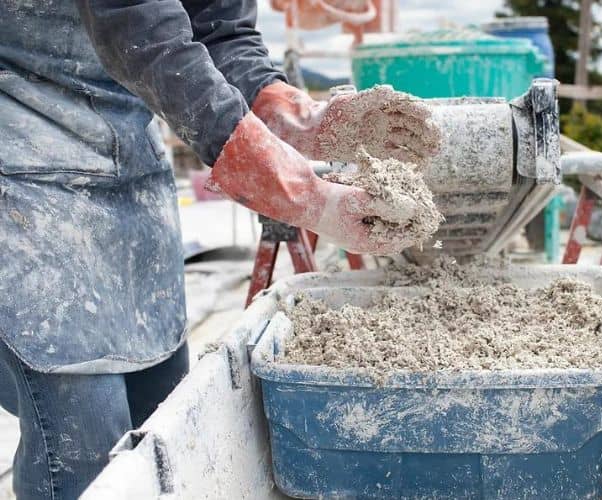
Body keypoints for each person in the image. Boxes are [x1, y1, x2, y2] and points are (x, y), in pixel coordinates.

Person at [0, 1, 438, 498]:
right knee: (85, 440)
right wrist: (305, 197)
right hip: (22, 162)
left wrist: (300, 117)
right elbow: (139, 30)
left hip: (126, 161)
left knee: (161, 414)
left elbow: (217, 30)